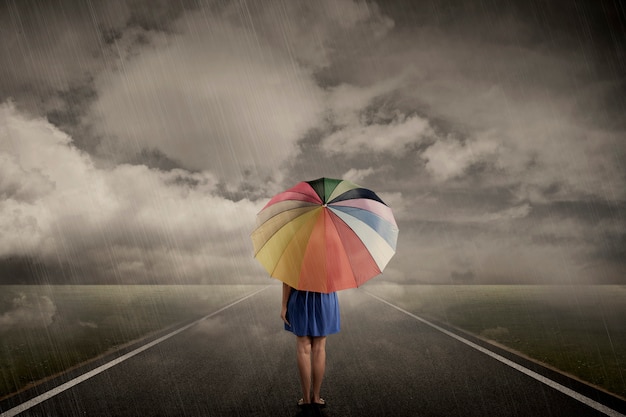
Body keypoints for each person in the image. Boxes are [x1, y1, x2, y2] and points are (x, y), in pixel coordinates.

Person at [281, 282, 340, 407]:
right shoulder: (329, 260)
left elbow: (287, 281)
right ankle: (316, 397)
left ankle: (306, 399)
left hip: (300, 297)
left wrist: (284, 305)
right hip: (324, 297)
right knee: (319, 349)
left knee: (303, 349)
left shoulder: (294, 260)